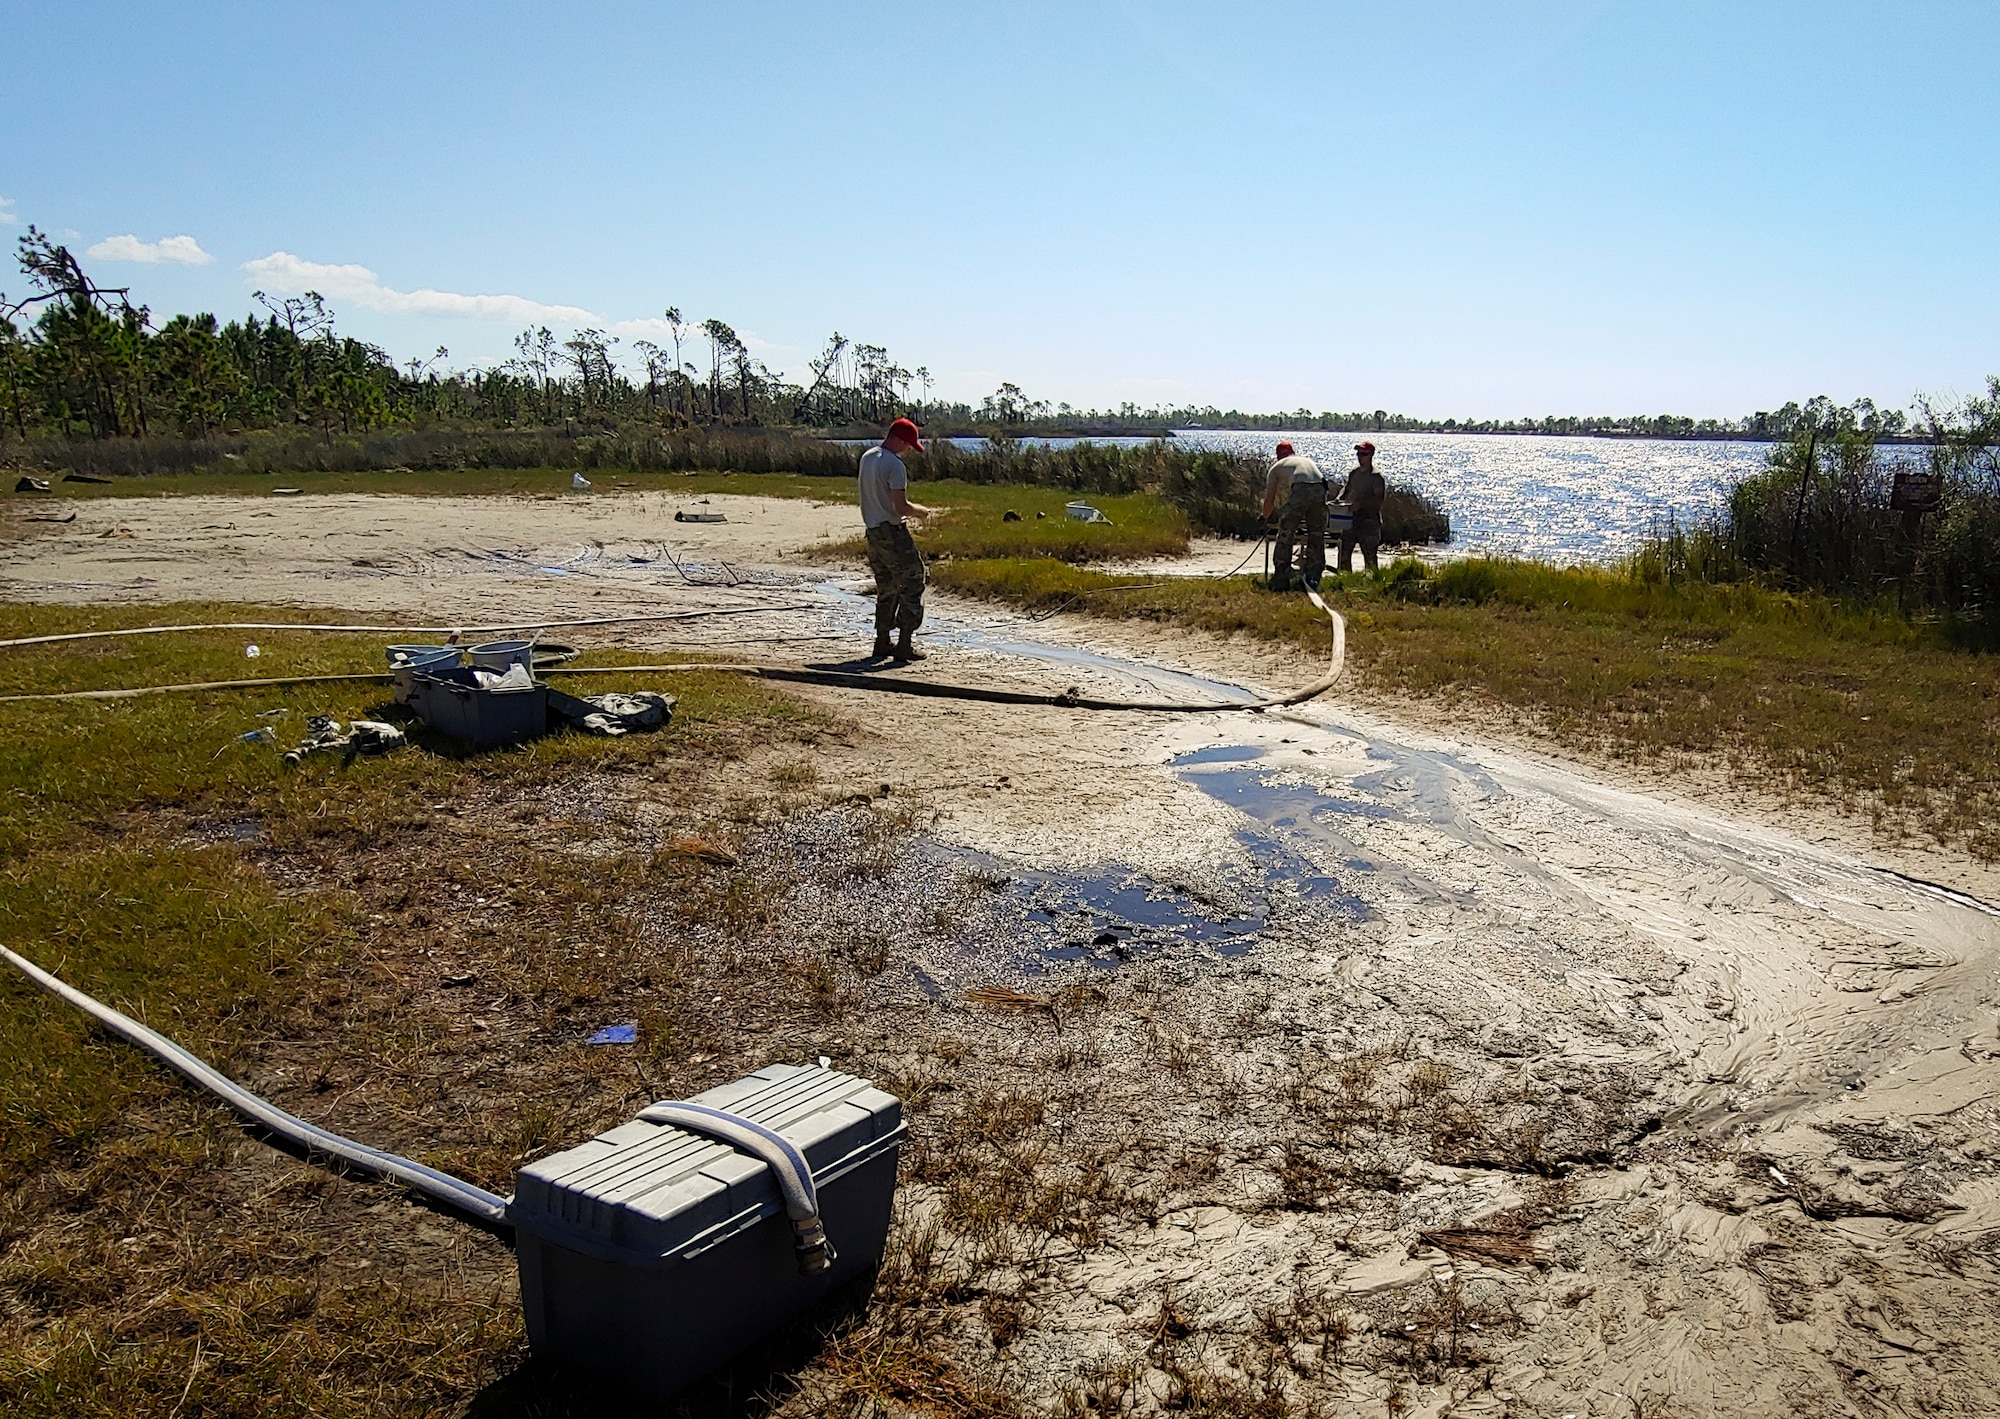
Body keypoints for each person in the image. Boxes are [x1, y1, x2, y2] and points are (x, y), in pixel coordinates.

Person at [858, 417, 934, 661]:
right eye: (909, 444)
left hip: (872, 531)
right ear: (899, 440)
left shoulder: (868, 457)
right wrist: (919, 511)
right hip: (892, 532)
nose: (909, 449)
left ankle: (882, 640)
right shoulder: (894, 465)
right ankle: (904, 644)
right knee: (913, 582)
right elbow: (900, 507)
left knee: (886, 586)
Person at [1259, 440, 1327, 591]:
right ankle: (1313, 577)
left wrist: (1264, 517)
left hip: (1300, 487)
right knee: (1316, 535)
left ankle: (1281, 576)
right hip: (1320, 487)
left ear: (1278, 456)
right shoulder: (1305, 460)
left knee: (1286, 533)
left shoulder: (1276, 468)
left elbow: (1269, 500)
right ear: (1292, 452)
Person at [1335, 440, 1387, 573]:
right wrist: (1338, 501)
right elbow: (1346, 490)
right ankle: (1345, 579)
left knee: (1369, 557)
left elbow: (1379, 500)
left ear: (1371, 455)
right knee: (1344, 552)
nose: (1360, 457)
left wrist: (1361, 504)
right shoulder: (1354, 473)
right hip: (1351, 520)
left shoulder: (1376, 477)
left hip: (1369, 522)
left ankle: (1371, 584)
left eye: (1364, 454)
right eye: (1358, 454)